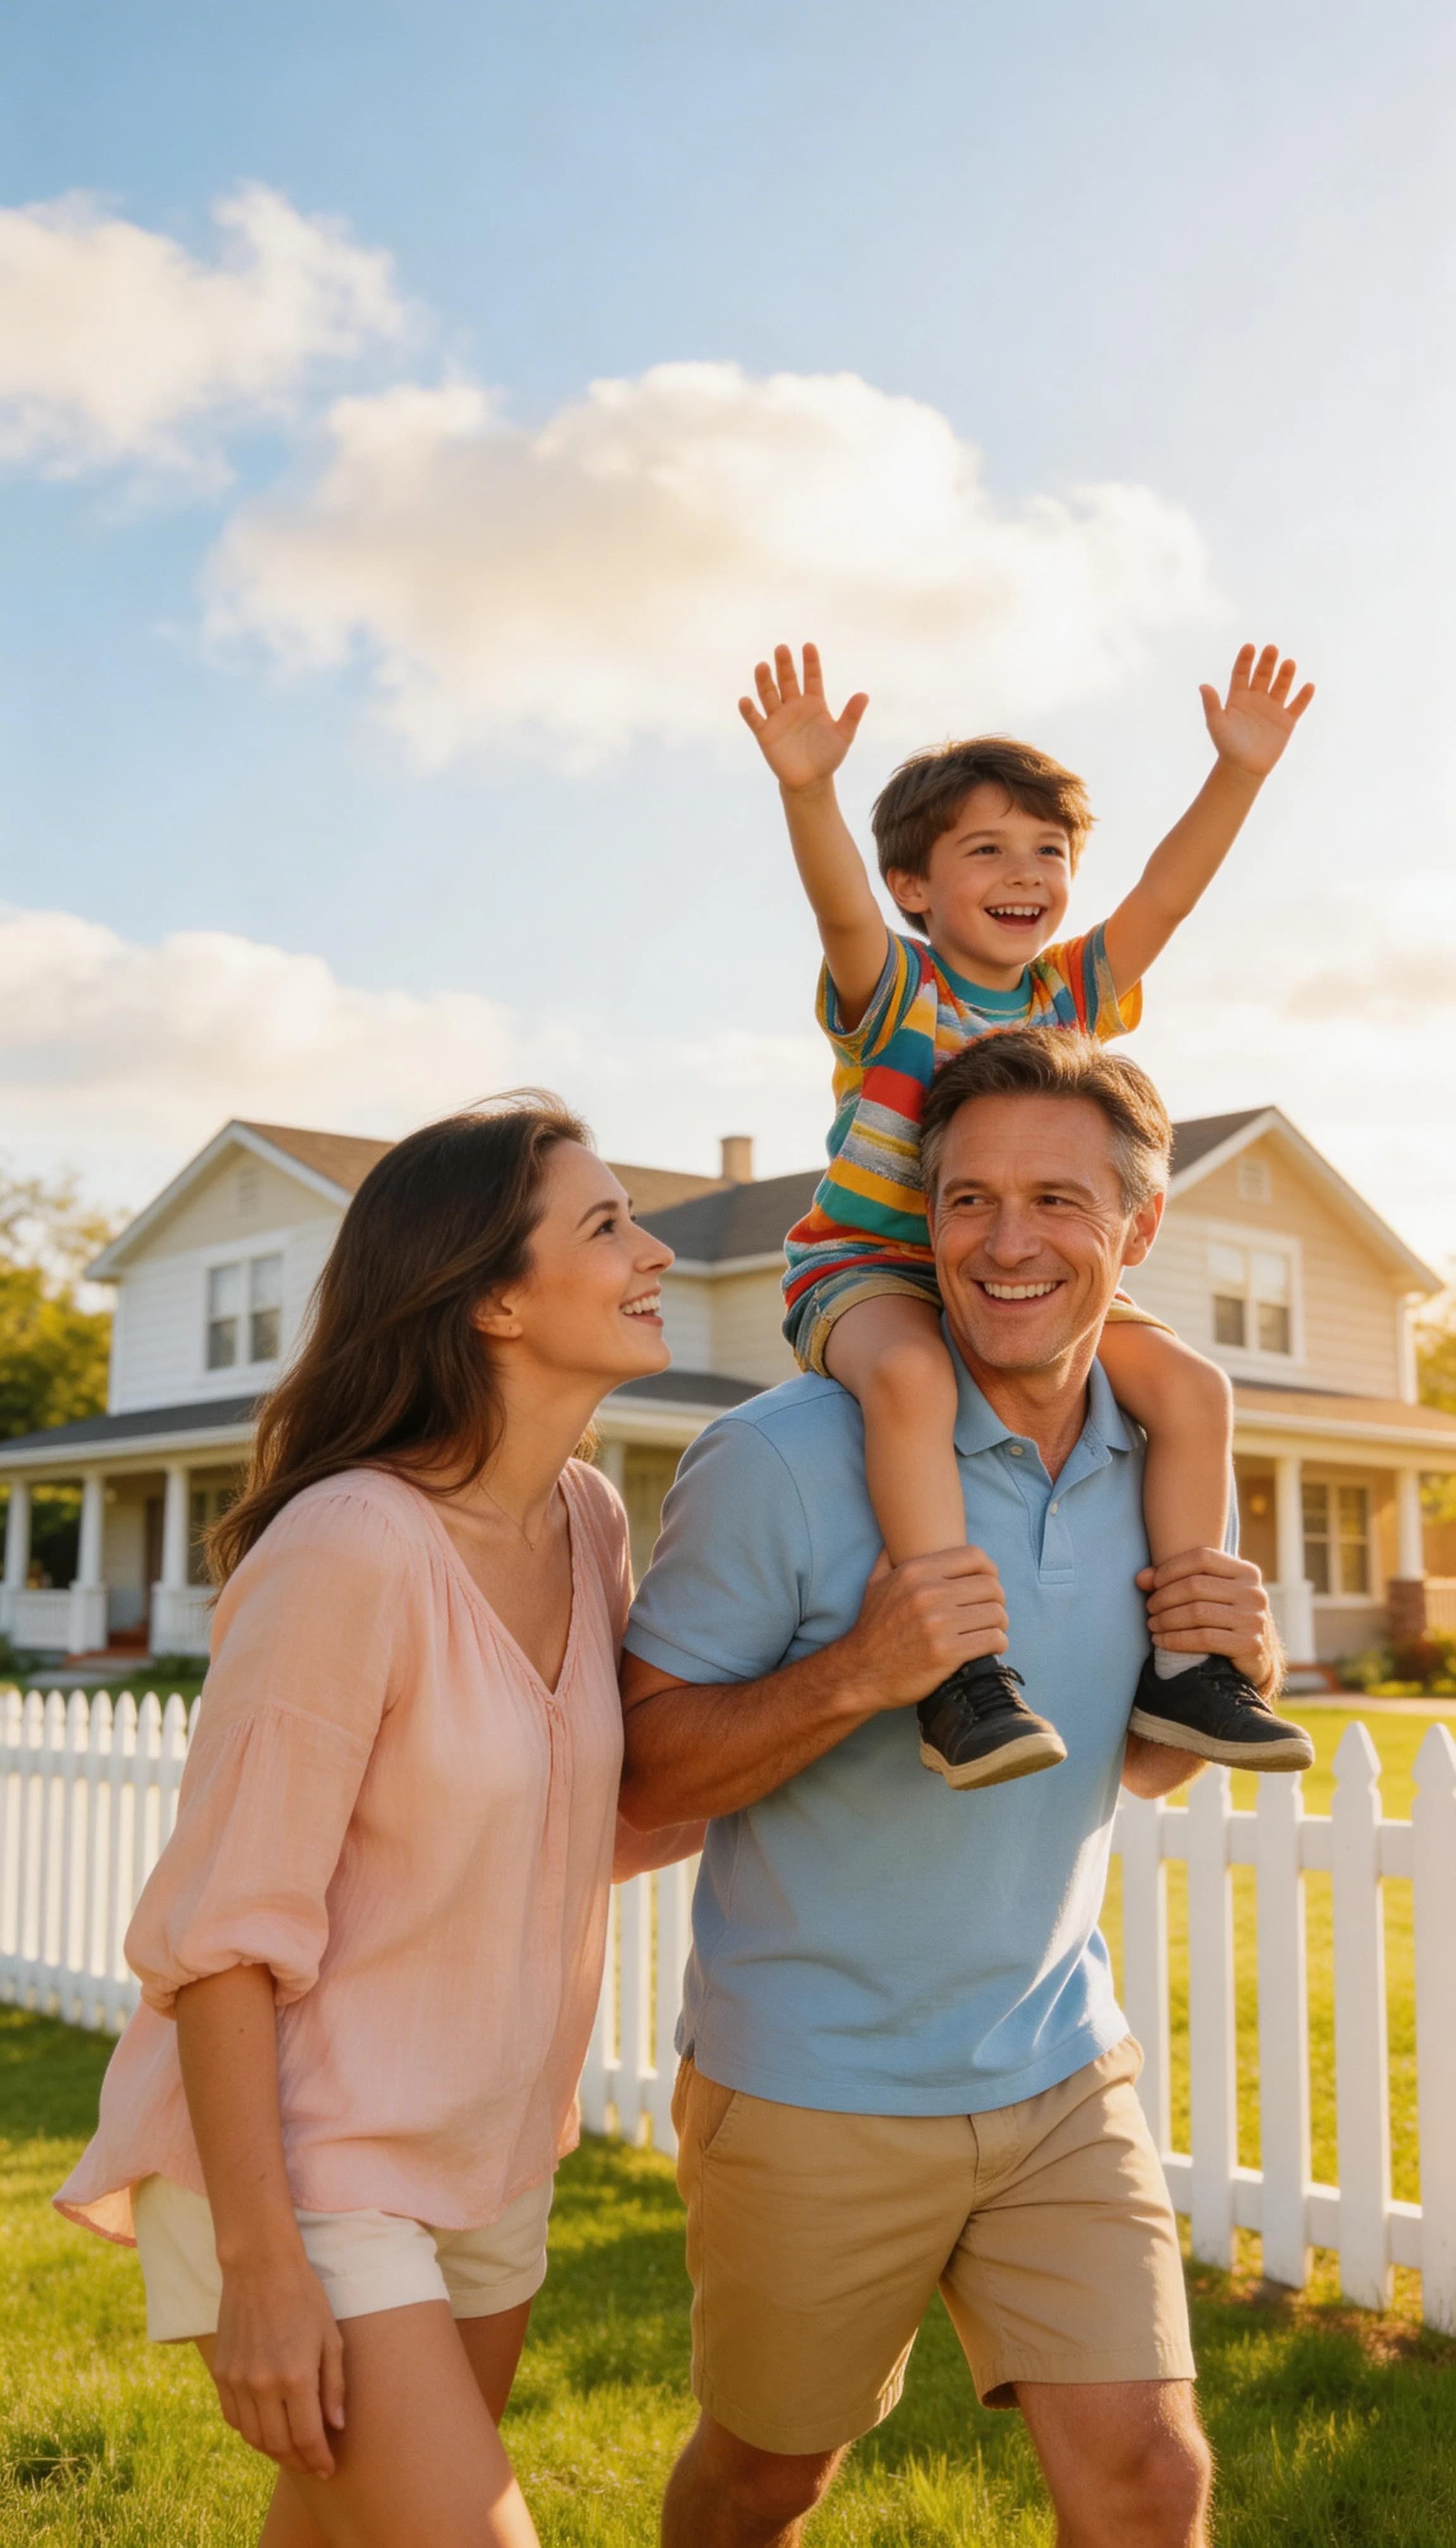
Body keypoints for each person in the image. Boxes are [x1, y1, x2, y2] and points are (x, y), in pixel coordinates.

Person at [620, 1030, 1288, 2548]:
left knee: (1150, 2478)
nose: (1004, 1244)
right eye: (966, 1199)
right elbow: (642, 1774)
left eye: (1057, 1200)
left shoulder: (1168, 1447)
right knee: (768, 2479)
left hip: (1057, 2059)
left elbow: (1153, 1765)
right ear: (921, 1221)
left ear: (1139, 1226)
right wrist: (859, 1670)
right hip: (813, 2081)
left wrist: (1232, 1663)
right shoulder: (781, 1461)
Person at [56, 1096, 699, 2548]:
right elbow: (222, 1931)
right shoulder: (348, 1545)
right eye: (607, 1225)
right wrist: (263, 2262)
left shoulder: (588, 1523)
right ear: (490, 1301)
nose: (655, 1250)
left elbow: (597, 1812)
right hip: (312, 2161)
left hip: (490, 2152)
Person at [740, 638, 1314, 1787]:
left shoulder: (1069, 995)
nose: (1025, 870)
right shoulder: (897, 986)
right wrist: (811, 794)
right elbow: (840, 909)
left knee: (1195, 1389)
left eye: (1047, 852)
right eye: (986, 849)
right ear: (916, 886)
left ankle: (1191, 1664)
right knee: (909, 1382)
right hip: (871, 1269)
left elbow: (1166, 892)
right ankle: (960, 1676)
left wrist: (1240, 774)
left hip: (1025, 1269)